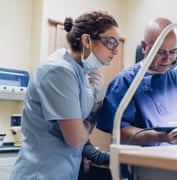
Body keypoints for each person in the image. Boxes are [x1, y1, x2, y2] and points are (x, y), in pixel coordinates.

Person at [10, 10, 119, 180]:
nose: (115, 51)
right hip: (41, 173)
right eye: (110, 43)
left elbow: (80, 132)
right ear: (86, 40)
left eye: (117, 45)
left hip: (64, 171)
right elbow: (76, 139)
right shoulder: (59, 71)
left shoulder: (79, 73)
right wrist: (97, 104)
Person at [95, 17, 177, 147]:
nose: (167, 59)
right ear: (144, 47)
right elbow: (119, 134)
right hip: (143, 164)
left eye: (173, 52)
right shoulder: (125, 82)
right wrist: (160, 137)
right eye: (160, 52)